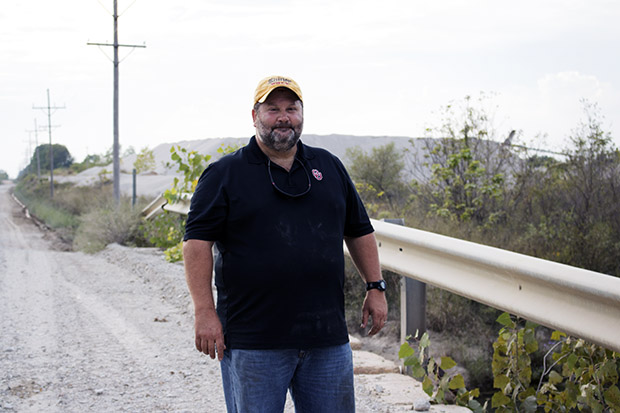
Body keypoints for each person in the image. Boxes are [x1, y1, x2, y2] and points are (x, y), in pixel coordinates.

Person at [183, 75, 388, 413]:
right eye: (272, 109)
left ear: (302, 114)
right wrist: (205, 311)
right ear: (254, 116)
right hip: (254, 341)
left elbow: (359, 229)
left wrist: (375, 286)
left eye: (291, 109)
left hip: (327, 338)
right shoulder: (225, 174)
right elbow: (196, 244)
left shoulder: (328, 166)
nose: (283, 117)